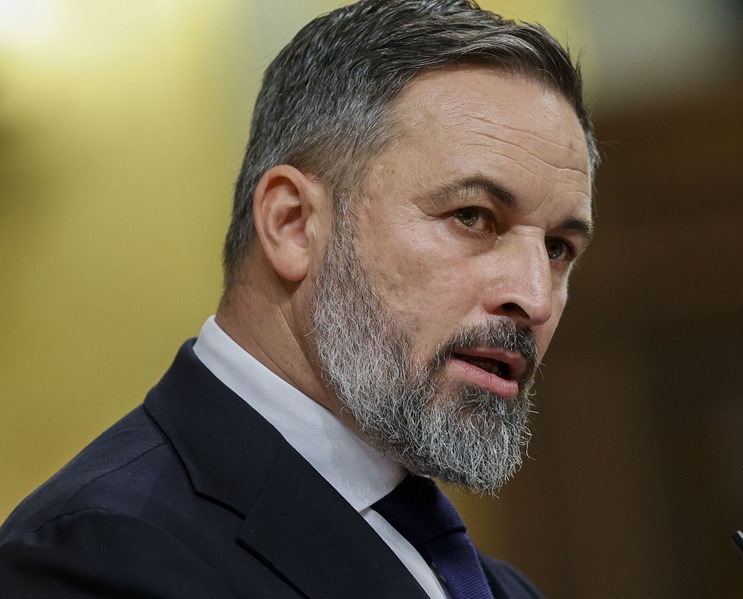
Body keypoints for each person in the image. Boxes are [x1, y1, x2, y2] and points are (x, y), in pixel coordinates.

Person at [0, 0, 597, 596]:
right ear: (292, 224)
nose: (535, 299)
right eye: (472, 216)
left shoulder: (502, 588)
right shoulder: (98, 554)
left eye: (558, 248)